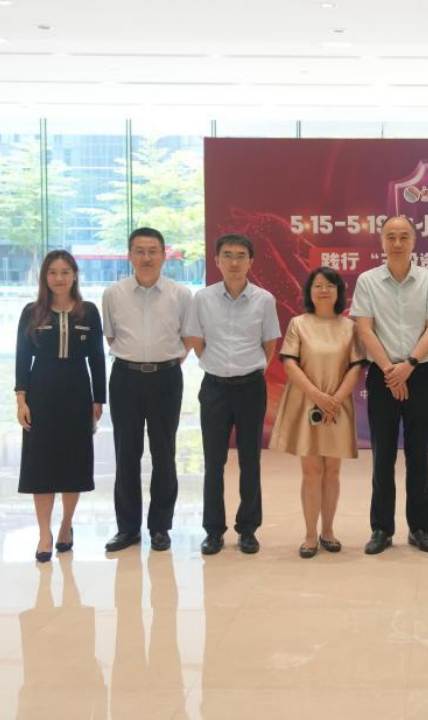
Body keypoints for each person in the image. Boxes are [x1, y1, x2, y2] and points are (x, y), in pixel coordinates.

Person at [350, 215, 428, 555]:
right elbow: (364, 329)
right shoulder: (367, 281)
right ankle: (381, 528)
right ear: (381, 241)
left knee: (418, 454)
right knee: (383, 455)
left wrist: (408, 366)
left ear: (414, 241)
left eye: (403, 236)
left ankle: (420, 528)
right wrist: (390, 370)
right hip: (382, 374)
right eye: (390, 236)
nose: (397, 243)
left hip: (418, 373)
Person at [185, 234, 281, 556]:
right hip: (214, 388)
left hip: (251, 387)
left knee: (250, 460)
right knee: (214, 461)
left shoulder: (264, 300)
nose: (234, 262)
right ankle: (213, 531)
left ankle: (248, 529)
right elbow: (197, 341)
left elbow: (270, 344)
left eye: (241, 255)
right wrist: (217, 365)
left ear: (251, 261)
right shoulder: (203, 298)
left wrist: (249, 369)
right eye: (227, 255)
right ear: (217, 261)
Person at [101, 228, 193, 554]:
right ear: (129, 256)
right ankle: (127, 528)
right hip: (125, 378)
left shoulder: (181, 294)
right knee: (126, 453)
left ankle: (160, 527)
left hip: (166, 378)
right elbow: (111, 337)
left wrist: (163, 361)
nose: (146, 257)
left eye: (153, 251)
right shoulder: (113, 294)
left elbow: (188, 338)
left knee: (164, 454)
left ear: (164, 255)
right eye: (139, 251)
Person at [269, 266, 367, 558]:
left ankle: (328, 531)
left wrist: (334, 399)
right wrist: (318, 396)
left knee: (332, 471)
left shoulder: (349, 327)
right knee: (311, 471)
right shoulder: (299, 323)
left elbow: (356, 367)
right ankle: (310, 534)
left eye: (330, 286)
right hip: (307, 403)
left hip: (338, 405)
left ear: (339, 292)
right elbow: (290, 364)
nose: (324, 290)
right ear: (309, 292)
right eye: (318, 285)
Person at [15, 250, 106, 563]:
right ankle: (44, 533)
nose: (59, 278)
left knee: (73, 462)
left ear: (75, 275)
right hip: (41, 392)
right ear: (45, 277)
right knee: (40, 463)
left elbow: (97, 358)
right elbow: (22, 357)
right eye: (52, 272)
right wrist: (21, 399)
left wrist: (98, 400)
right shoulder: (32, 312)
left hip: (77, 392)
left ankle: (66, 524)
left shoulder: (88, 312)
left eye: (65, 272)